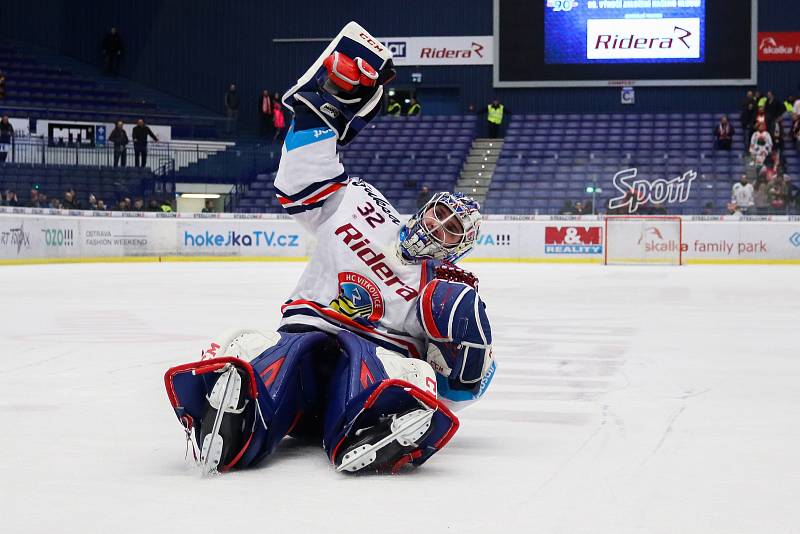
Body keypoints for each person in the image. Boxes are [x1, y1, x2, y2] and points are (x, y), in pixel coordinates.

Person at [163, 23, 493, 476]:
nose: (439, 225)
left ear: (460, 249)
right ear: (427, 207)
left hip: (368, 358)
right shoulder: (363, 202)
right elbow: (299, 186)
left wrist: (464, 359)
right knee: (281, 354)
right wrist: (324, 112)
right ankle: (239, 417)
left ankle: (380, 424)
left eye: (453, 229)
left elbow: (464, 386)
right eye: (440, 213)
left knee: (371, 364)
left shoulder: (442, 290)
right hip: (308, 332)